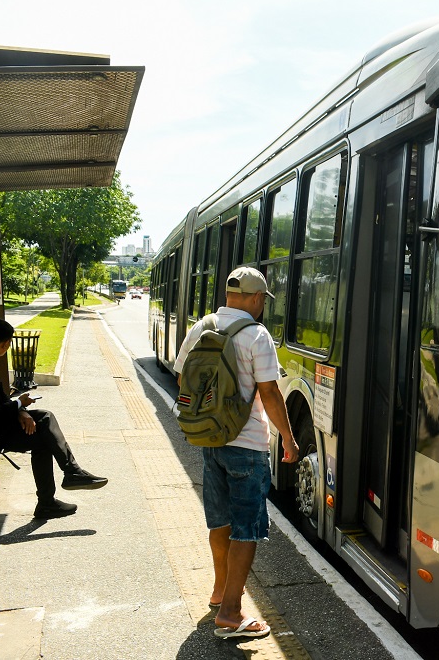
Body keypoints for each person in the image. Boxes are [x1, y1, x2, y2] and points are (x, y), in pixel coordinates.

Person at [173, 267, 298, 640]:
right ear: (257, 299)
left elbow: (183, 379)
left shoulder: (202, 326)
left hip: (211, 441)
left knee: (220, 522)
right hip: (247, 445)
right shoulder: (256, 335)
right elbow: (271, 394)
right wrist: (288, 441)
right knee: (247, 529)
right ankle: (230, 612)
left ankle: (218, 591)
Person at [0, 319, 107, 519]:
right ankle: (60, 487)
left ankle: (67, 479)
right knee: (44, 436)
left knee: (44, 419)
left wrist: (20, 410)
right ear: (5, 344)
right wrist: (19, 404)